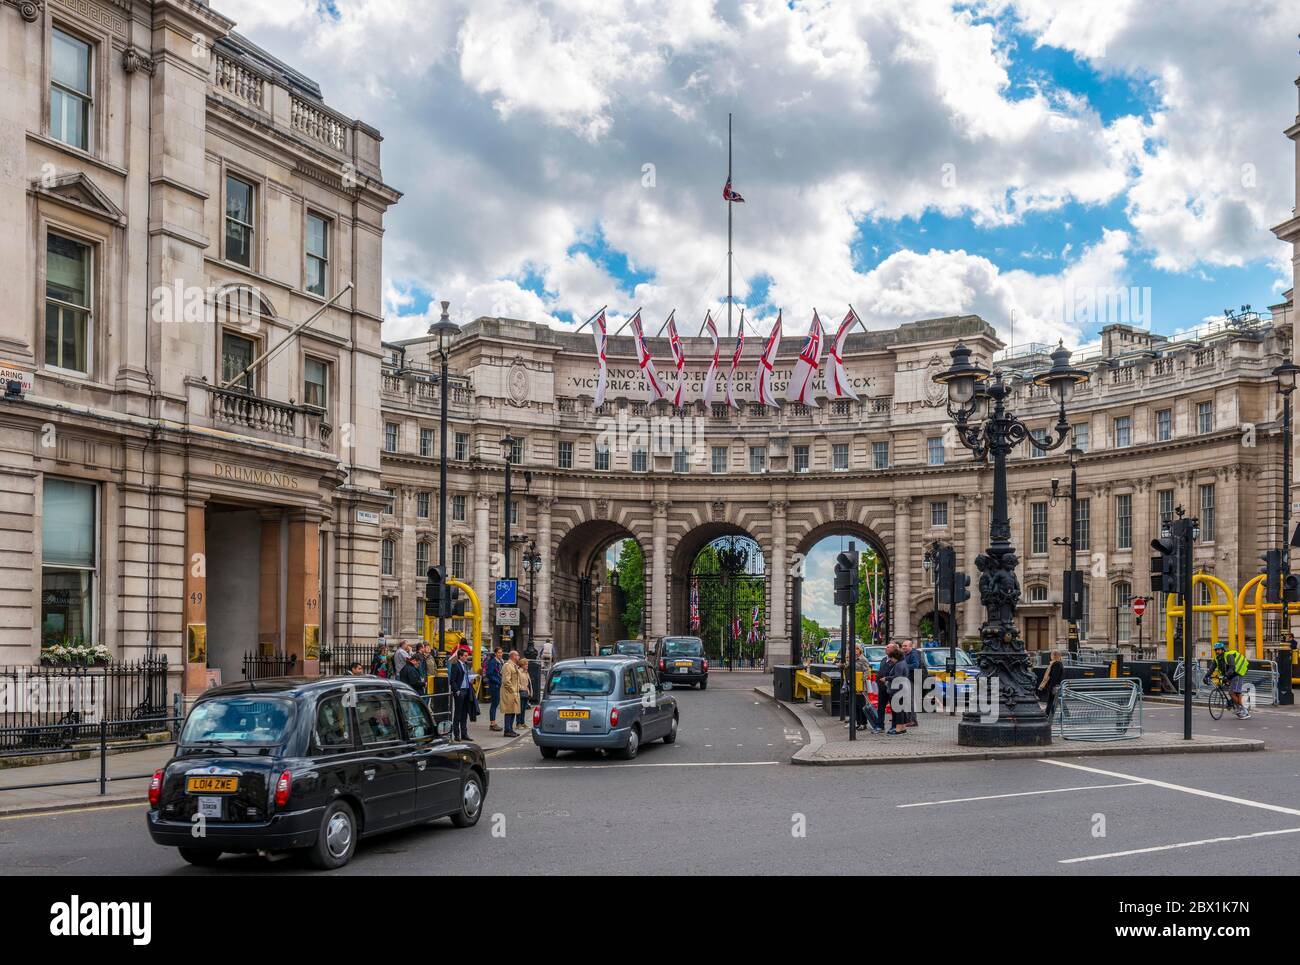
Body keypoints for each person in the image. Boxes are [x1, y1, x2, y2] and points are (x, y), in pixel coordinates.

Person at [1204, 642, 1251, 719]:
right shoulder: (1216, 659)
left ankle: (1244, 710)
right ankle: (1234, 704)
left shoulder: (1228, 655)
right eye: (1215, 650)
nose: (1217, 651)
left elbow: (1232, 667)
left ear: (1222, 650)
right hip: (1229, 676)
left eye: (1218, 650)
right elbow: (1211, 669)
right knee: (1234, 692)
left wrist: (1226, 676)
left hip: (1237, 674)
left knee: (1232, 692)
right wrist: (1206, 677)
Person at [448, 646, 473, 740]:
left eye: (467, 655)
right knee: (458, 714)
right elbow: (452, 680)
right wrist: (456, 690)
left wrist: (471, 680)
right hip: (459, 691)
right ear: (460, 656)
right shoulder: (455, 665)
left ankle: (464, 734)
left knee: (464, 714)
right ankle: (457, 735)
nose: (467, 657)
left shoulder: (466, 665)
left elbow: (467, 677)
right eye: (465, 655)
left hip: (466, 690)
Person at [901, 639, 925, 728]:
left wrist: (904, 667)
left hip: (912, 679)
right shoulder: (905, 654)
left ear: (911, 646)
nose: (903, 647)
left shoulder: (914, 654)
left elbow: (916, 665)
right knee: (907, 700)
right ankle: (908, 719)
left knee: (910, 700)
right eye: (903, 646)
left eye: (905, 646)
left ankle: (913, 720)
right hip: (907, 679)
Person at [500, 650, 522, 737]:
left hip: (514, 692)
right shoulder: (507, 666)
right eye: (517, 655)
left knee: (513, 711)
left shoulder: (513, 665)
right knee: (509, 711)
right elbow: (506, 681)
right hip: (509, 692)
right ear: (513, 656)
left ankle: (510, 729)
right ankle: (507, 730)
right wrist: (513, 691)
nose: (519, 657)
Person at [1038, 649, 1064, 719]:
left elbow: (1054, 677)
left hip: (1054, 686)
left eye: (1052, 654)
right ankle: (1049, 714)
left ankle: (1048, 714)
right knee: (1053, 701)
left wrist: (1051, 686)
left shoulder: (1056, 664)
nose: (1050, 656)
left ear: (1054, 655)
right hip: (1055, 686)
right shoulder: (1056, 663)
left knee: (1051, 701)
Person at [484, 647, 505, 731]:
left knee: (495, 704)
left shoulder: (500, 661)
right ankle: (492, 723)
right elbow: (489, 674)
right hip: (495, 686)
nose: (500, 654)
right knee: (494, 704)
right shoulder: (493, 662)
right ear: (495, 653)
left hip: (499, 685)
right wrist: (498, 681)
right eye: (499, 653)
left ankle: (493, 722)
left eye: (501, 652)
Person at [517, 658, 533, 728]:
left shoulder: (526, 672)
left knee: (523, 709)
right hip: (520, 692)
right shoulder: (518, 672)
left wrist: (529, 691)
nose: (527, 666)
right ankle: (518, 724)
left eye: (527, 664)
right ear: (522, 665)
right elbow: (517, 683)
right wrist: (523, 688)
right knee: (519, 709)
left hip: (526, 693)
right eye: (526, 664)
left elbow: (528, 683)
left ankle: (523, 723)